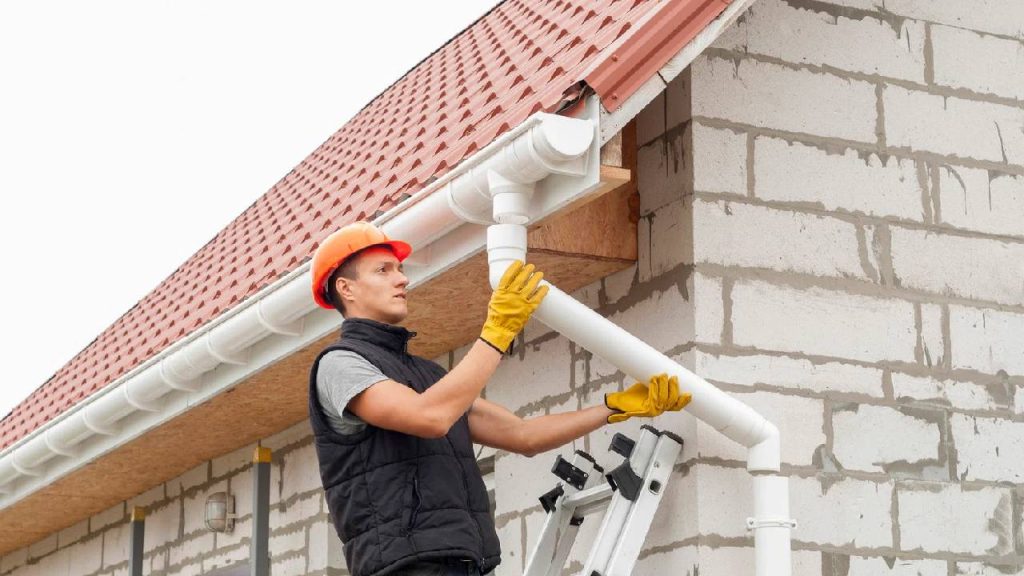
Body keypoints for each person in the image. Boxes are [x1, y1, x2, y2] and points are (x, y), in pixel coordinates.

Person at [307, 221, 691, 576]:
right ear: (347, 288)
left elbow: (523, 436)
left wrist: (613, 408)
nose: (402, 279)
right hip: (405, 567)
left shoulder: (429, 376)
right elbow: (430, 418)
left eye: (400, 269)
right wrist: (497, 333)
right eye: (384, 270)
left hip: (464, 563)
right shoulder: (341, 365)